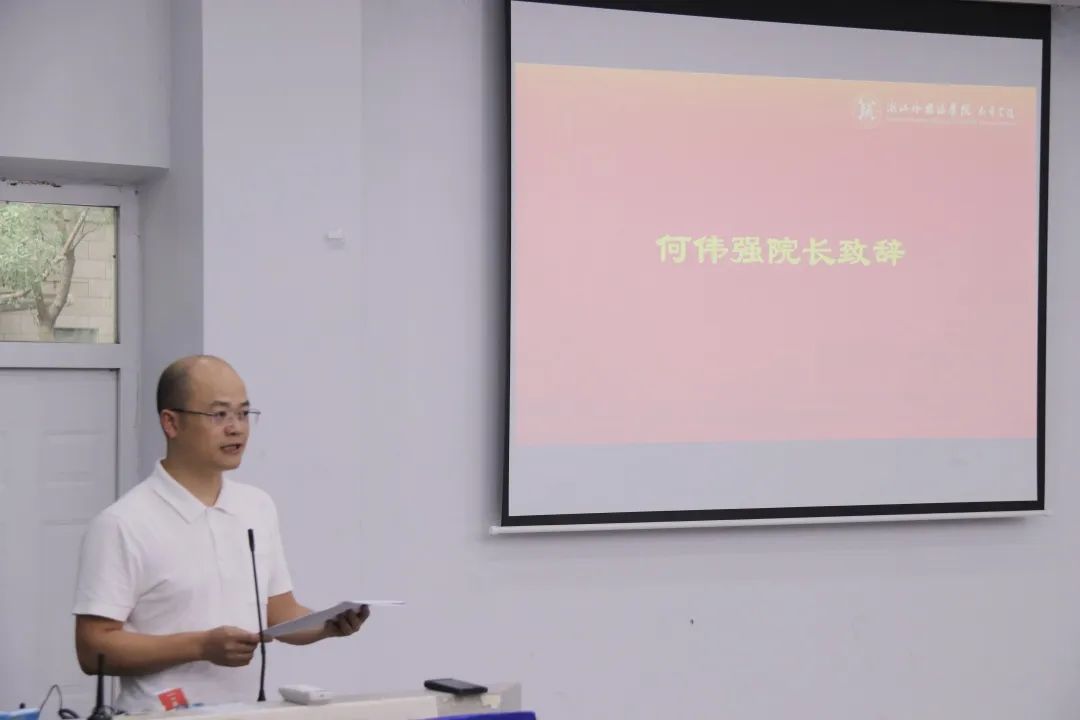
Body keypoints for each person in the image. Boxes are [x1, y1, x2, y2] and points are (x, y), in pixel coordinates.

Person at [73, 355, 368, 711]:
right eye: (219, 415)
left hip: (247, 712)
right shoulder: (123, 523)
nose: (236, 428)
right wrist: (201, 646)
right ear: (171, 422)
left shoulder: (256, 507)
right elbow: (92, 648)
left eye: (243, 414)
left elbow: (279, 612)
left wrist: (327, 625)